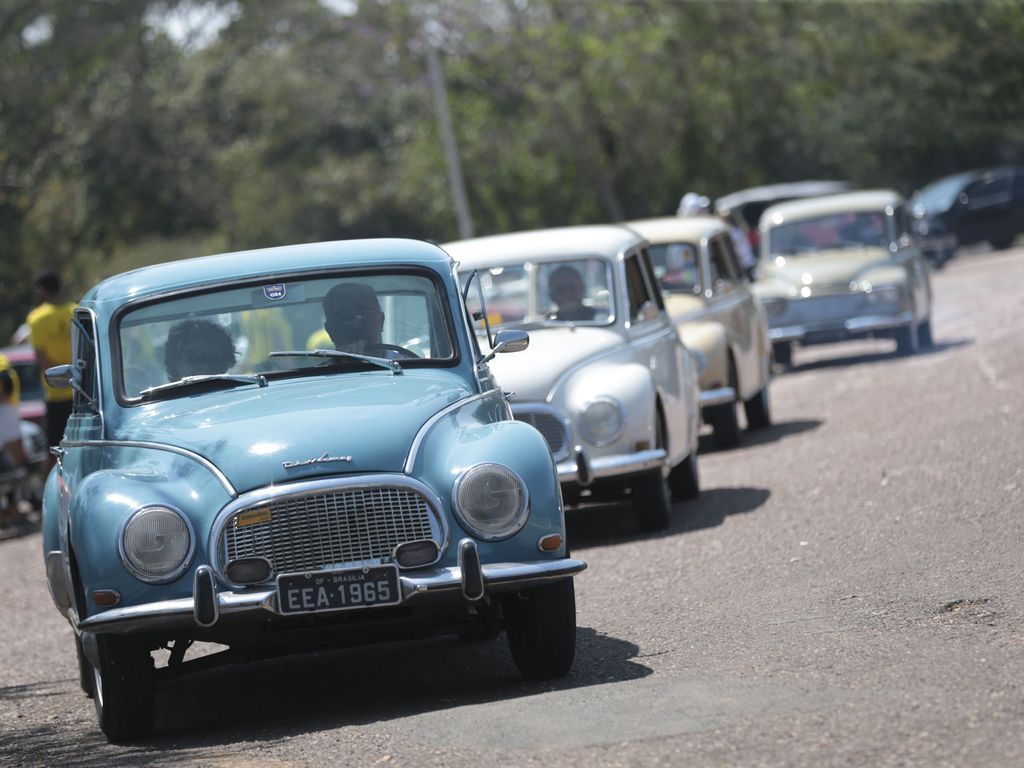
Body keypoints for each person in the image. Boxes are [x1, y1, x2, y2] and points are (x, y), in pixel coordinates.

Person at [26, 271, 76, 457]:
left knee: (54, 451)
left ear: (41, 290)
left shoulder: (36, 318)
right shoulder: (75, 310)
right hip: (83, 391)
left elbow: (42, 359)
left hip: (56, 394)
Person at [321, 282, 413, 359]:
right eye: (344, 318)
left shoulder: (410, 368)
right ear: (330, 331)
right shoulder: (319, 376)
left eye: (364, 314)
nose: (356, 324)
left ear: (381, 321)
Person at [163, 319, 238, 381]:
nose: (203, 365)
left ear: (224, 364)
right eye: (194, 358)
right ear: (175, 363)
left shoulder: (243, 396)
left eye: (210, 358)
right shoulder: (160, 398)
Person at [0, 369, 27, 529]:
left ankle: (8, 513)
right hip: (6, 463)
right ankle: (11, 511)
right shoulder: (9, 411)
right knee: (11, 471)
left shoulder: (8, 411)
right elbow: (16, 445)